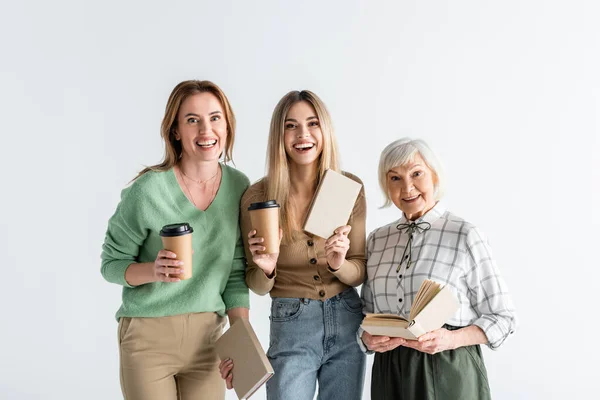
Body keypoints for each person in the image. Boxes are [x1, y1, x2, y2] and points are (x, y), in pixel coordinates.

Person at [100, 80, 250, 400]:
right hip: (147, 339)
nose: (206, 129)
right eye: (192, 120)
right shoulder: (147, 190)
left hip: (209, 342)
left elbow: (236, 274)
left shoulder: (239, 187)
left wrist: (241, 342)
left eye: (215, 117)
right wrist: (153, 271)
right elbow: (111, 265)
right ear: (176, 131)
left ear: (227, 124)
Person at [220, 90, 367, 400]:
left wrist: (339, 264)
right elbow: (257, 285)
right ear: (279, 135)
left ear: (324, 130)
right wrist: (267, 267)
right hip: (292, 322)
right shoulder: (257, 198)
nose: (303, 135)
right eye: (291, 126)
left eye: (312, 123)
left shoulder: (347, 187)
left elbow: (360, 269)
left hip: (346, 317)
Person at [359, 137, 518, 399]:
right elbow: (365, 312)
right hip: (390, 372)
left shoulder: (464, 235)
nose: (407, 187)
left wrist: (451, 339)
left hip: (448, 367)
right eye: (395, 178)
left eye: (416, 173)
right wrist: (366, 338)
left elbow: (504, 318)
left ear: (434, 175)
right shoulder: (377, 240)